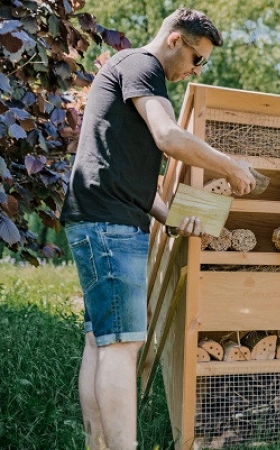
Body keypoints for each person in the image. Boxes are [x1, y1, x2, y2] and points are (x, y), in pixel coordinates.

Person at [60, 8, 256, 450]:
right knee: (123, 346)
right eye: (197, 58)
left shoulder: (130, 74)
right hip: (108, 222)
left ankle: (98, 444)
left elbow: (128, 175)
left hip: (105, 215)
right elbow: (169, 136)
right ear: (174, 40)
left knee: (100, 341)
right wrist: (230, 165)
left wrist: (171, 217)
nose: (195, 70)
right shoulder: (142, 66)